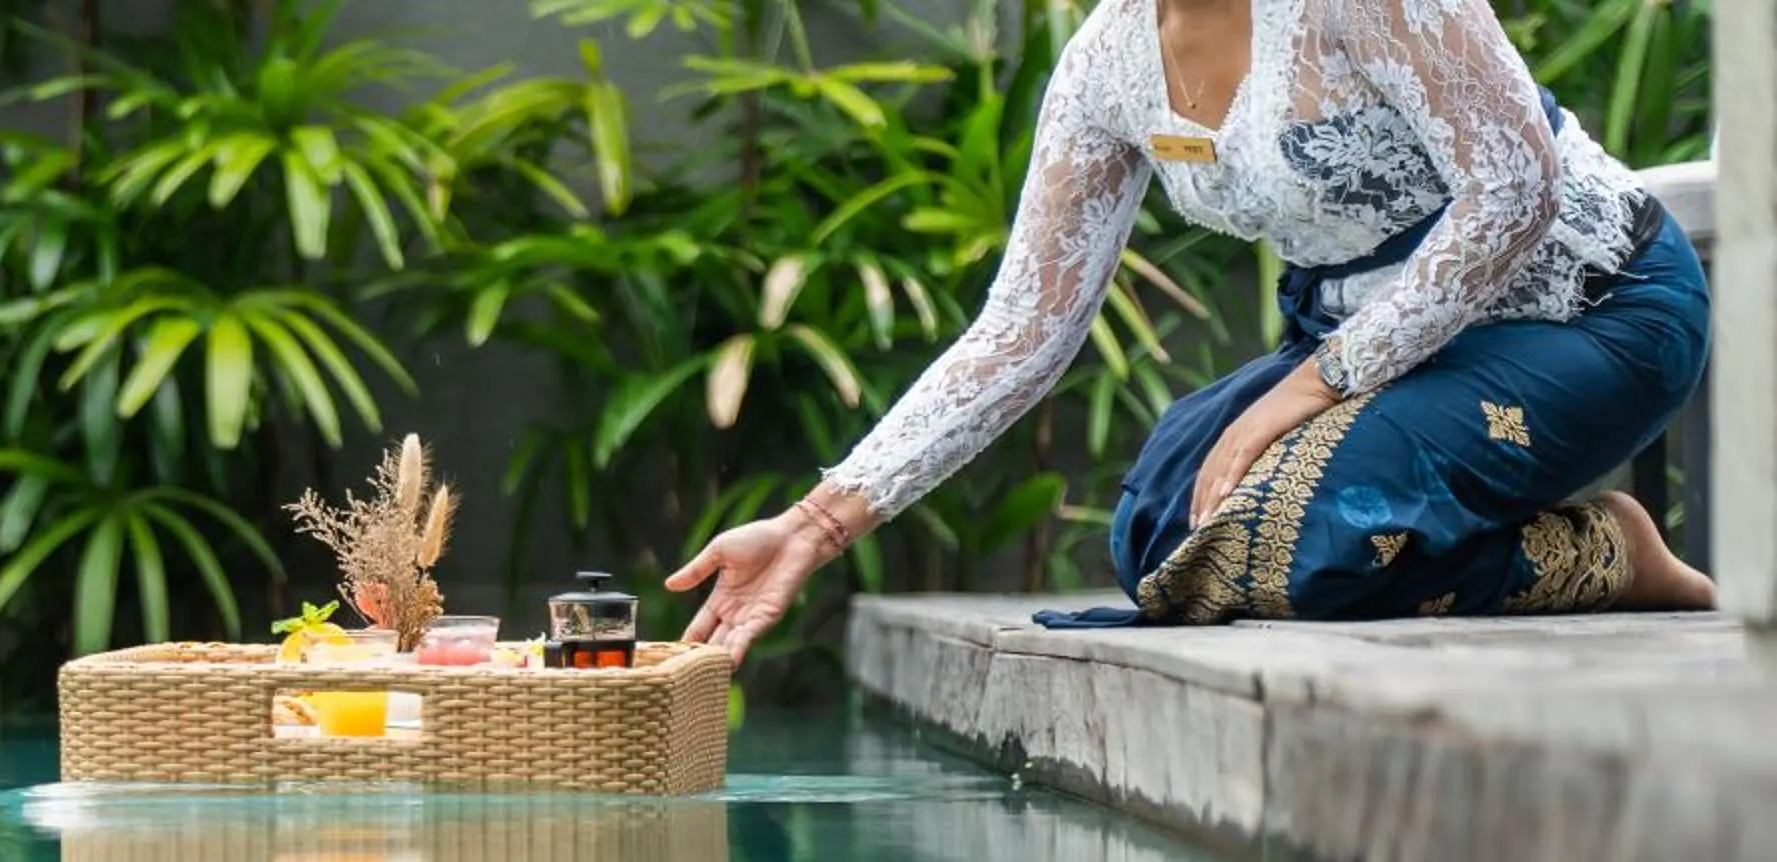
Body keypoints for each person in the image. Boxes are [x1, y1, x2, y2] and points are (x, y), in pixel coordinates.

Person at [668, 0, 1714, 646]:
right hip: (1373, 347)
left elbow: (1513, 189)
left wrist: (1308, 391)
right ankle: (1520, 532)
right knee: (1164, 529)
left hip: (1589, 311)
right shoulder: (1107, 61)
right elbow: (1026, 325)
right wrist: (815, 525)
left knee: (1295, 537)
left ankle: (1613, 552)